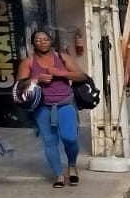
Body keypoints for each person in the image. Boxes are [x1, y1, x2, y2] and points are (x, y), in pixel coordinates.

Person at [16, 29, 87, 187]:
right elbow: (19, 85)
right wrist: (36, 78)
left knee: (70, 138)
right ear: (33, 43)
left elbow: (82, 76)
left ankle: (72, 166)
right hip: (42, 106)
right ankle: (58, 175)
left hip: (65, 103)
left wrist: (61, 73)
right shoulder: (28, 62)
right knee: (50, 141)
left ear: (50, 41)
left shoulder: (62, 57)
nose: (42, 42)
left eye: (45, 39)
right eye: (38, 40)